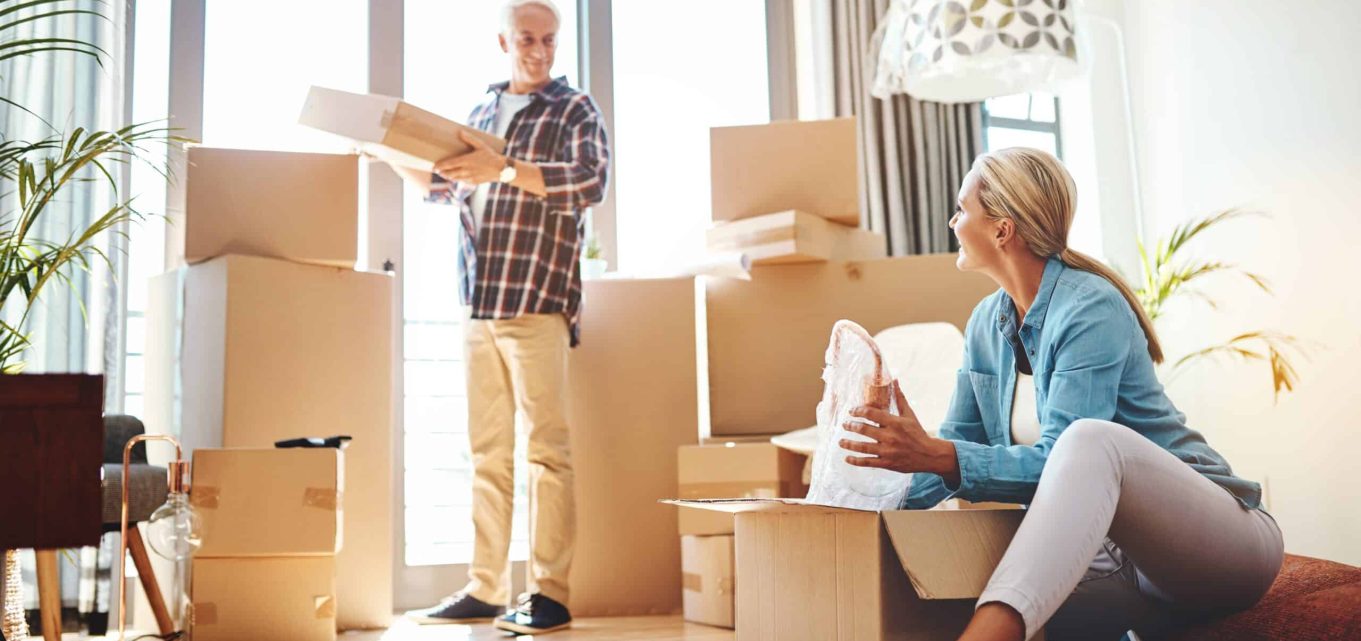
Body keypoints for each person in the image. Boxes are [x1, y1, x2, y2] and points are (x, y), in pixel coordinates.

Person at [837, 147, 1283, 641]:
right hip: (1117, 568)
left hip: (1217, 547)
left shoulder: (1090, 307)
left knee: (1090, 441)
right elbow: (952, 449)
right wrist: (867, 504)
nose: (952, 219)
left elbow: (1057, 462)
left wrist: (938, 455)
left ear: (1002, 229)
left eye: (962, 209)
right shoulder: (987, 323)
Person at [388, 0, 609, 634]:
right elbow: (441, 187)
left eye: (548, 39)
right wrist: (380, 151)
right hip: (478, 306)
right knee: (488, 454)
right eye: (527, 38)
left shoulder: (574, 109)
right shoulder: (481, 114)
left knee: (547, 453)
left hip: (536, 301)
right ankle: (486, 588)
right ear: (503, 41)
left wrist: (507, 167)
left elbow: (589, 182)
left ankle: (549, 593)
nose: (539, 49)